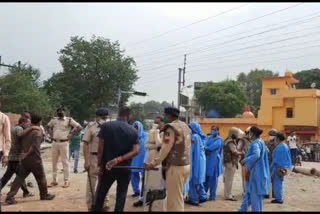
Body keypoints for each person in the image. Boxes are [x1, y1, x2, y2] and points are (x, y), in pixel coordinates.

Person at [92, 107, 139, 212]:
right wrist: (119, 159)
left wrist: (99, 165)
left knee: (101, 194)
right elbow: (136, 151)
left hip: (107, 167)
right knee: (121, 195)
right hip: (124, 167)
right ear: (128, 115)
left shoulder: (106, 126)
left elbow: (100, 148)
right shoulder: (133, 130)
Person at [145, 107, 191, 212]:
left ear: (168, 115)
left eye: (165, 115)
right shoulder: (185, 126)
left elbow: (165, 149)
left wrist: (153, 163)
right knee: (178, 197)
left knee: (173, 201)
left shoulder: (170, 128)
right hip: (186, 165)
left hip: (175, 167)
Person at [5, 114, 55, 204]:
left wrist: (24, 155)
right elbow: (35, 147)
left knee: (19, 178)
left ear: (31, 121)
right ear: (40, 122)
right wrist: (27, 154)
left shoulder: (25, 131)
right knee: (41, 177)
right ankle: (44, 195)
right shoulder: (37, 132)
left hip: (24, 160)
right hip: (34, 159)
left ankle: (10, 196)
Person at [133, 116, 165, 209]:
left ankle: (157, 204)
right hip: (148, 161)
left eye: (158, 122)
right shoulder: (151, 133)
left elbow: (160, 145)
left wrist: (156, 133)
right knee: (146, 182)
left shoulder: (164, 133)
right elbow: (146, 145)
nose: (156, 124)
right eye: (155, 122)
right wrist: (155, 145)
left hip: (158, 163)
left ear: (163, 122)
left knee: (158, 185)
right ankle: (144, 200)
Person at [0, 117, 36, 198]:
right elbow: (20, 135)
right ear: (22, 122)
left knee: (8, 176)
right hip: (15, 156)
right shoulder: (19, 129)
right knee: (20, 175)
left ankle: (26, 192)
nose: (29, 125)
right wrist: (32, 129)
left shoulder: (14, 128)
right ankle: (24, 192)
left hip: (12, 156)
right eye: (28, 123)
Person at [47, 107, 82, 188]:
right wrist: (51, 134)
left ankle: (66, 180)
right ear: (57, 113)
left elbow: (79, 127)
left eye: (62, 111)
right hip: (55, 142)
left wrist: (71, 134)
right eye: (59, 111)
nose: (60, 113)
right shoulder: (54, 120)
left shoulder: (69, 120)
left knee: (65, 162)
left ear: (65, 112)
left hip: (64, 143)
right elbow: (48, 126)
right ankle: (54, 180)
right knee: (54, 162)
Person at [82, 107, 109, 211]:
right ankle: (90, 205)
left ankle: (104, 204)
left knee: (105, 181)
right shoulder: (91, 127)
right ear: (97, 117)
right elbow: (85, 144)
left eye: (106, 117)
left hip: (106, 157)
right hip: (94, 157)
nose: (104, 119)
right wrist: (86, 160)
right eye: (103, 117)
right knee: (92, 182)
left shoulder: (109, 126)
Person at [239, 126, 270, 212]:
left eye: (249, 133)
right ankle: (243, 209)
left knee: (255, 197)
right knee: (251, 195)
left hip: (255, 173)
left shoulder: (255, 143)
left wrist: (245, 160)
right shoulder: (261, 142)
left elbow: (256, 155)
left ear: (252, 134)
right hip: (259, 172)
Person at [185, 122, 207, 206]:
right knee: (199, 180)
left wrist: (191, 163)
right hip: (200, 161)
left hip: (196, 161)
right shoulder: (201, 137)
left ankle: (193, 199)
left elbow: (193, 152)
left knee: (192, 179)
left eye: (189, 127)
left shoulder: (194, 137)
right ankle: (202, 196)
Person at [223, 127, 244, 201]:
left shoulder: (227, 140)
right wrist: (242, 153)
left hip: (228, 162)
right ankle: (228, 195)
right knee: (229, 179)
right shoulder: (230, 142)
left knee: (227, 179)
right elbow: (234, 151)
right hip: (231, 162)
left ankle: (227, 193)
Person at [271, 132, 292, 204]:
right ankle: (279, 197)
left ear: (277, 138)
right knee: (279, 183)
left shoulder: (279, 147)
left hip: (278, 168)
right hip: (284, 167)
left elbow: (276, 159)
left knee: (277, 183)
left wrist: (272, 167)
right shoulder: (285, 146)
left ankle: (279, 199)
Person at [204, 125, 224, 201]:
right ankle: (204, 194)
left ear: (218, 131)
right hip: (207, 160)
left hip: (214, 160)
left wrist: (206, 148)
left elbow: (213, 147)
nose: (213, 131)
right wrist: (206, 148)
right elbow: (203, 144)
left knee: (213, 179)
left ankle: (212, 196)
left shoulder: (219, 139)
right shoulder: (208, 137)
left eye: (215, 130)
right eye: (212, 129)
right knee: (206, 178)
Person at [130, 121, 148, 198]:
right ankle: (136, 191)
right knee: (134, 175)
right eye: (134, 127)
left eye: (137, 127)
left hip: (144, 159)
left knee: (145, 177)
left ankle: (144, 193)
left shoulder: (147, 135)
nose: (136, 129)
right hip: (134, 159)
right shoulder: (130, 135)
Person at [264, 128, 278, 199]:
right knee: (267, 178)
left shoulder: (278, 144)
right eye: (270, 135)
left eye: (272, 135)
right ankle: (267, 193)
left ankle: (274, 194)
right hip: (267, 162)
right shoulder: (266, 143)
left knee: (275, 179)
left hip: (275, 163)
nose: (270, 136)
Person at [237, 127, 251, 194]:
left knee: (250, 177)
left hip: (251, 161)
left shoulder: (251, 140)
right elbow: (238, 149)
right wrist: (243, 153)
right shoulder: (242, 140)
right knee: (245, 177)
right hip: (244, 161)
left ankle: (249, 190)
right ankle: (245, 191)